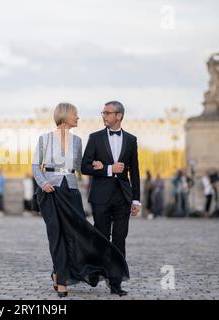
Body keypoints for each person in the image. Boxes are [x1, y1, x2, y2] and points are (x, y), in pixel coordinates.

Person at [33, 102, 129, 298]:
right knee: (56, 235)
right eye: (75, 114)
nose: (78, 118)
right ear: (65, 115)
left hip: (72, 192)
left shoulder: (77, 141)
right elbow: (35, 166)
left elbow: (79, 166)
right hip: (50, 192)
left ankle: (59, 272)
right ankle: (61, 280)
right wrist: (43, 184)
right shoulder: (44, 139)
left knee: (74, 235)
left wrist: (96, 164)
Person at [81, 100, 140, 296]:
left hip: (123, 196)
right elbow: (84, 166)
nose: (104, 115)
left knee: (120, 239)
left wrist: (136, 200)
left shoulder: (131, 140)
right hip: (101, 196)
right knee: (101, 237)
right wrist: (108, 169)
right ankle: (96, 270)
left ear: (119, 116)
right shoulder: (95, 137)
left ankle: (116, 282)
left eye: (107, 112)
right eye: (103, 112)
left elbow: (136, 173)